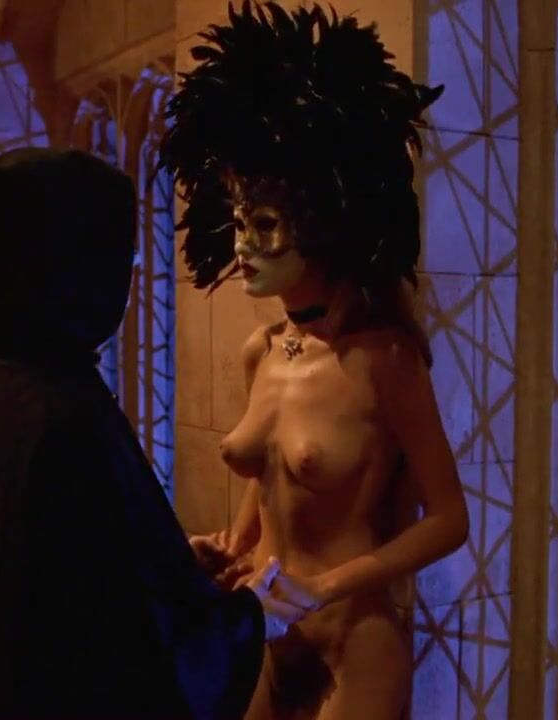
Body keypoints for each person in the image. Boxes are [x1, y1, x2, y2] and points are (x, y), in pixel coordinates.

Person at [0, 146, 310, 720]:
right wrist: (247, 620)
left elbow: (64, 566)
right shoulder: (59, 408)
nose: (130, 276)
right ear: (75, 266)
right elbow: (109, 653)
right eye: (123, 258)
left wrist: (171, 564)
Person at [160, 4, 470, 719]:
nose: (242, 244)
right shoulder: (262, 352)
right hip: (269, 630)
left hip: (352, 641)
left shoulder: (384, 359)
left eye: (264, 224)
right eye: (240, 222)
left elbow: (450, 518)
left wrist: (331, 585)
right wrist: (235, 545)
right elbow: (272, 478)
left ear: (326, 224)